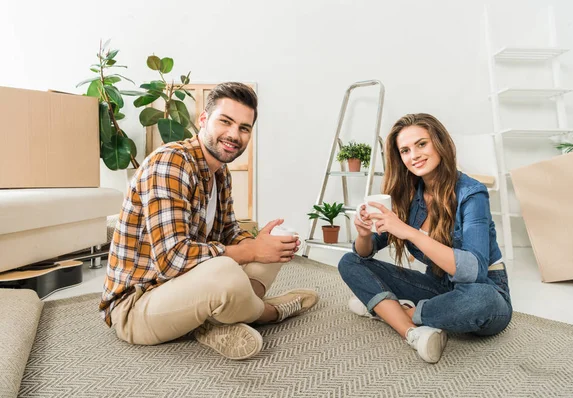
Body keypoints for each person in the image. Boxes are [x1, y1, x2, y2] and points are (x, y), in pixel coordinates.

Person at [100, 82, 318, 360]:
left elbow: (228, 233)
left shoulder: (220, 173)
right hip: (139, 304)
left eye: (244, 128)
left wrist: (260, 244)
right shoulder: (171, 163)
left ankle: (212, 323)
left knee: (269, 251)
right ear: (203, 120)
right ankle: (267, 313)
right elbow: (172, 259)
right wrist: (249, 251)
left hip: (187, 286)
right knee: (226, 272)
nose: (234, 134)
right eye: (225, 122)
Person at [338, 113, 512, 363]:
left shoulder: (472, 193)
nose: (414, 155)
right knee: (349, 261)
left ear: (439, 143)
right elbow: (364, 254)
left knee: (481, 300)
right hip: (436, 286)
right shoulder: (408, 195)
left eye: (422, 144)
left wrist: (408, 231)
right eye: (405, 150)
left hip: (484, 288)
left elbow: (474, 271)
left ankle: (392, 311)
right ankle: (412, 333)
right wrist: (363, 233)